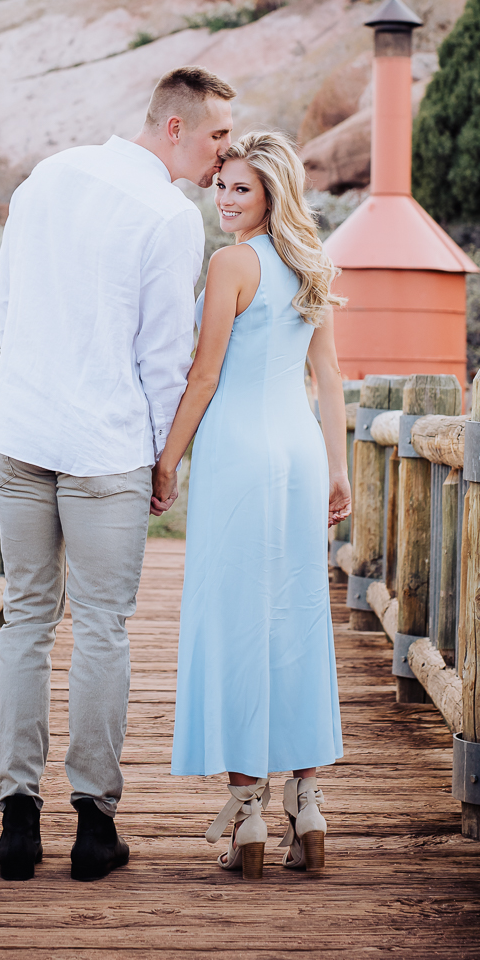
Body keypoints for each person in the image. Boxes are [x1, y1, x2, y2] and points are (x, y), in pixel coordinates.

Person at [0, 66, 236, 883]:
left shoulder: (46, 177)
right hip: (105, 448)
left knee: (25, 621)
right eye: (215, 135)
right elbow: (162, 356)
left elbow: (8, 305)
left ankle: (16, 824)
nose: (222, 152)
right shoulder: (170, 215)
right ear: (173, 127)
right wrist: (167, 461)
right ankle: (94, 828)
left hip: (19, 432)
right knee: (99, 627)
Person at [154, 130, 350, 878]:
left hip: (238, 453)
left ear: (272, 193)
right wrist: (337, 468)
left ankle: (247, 813)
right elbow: (327, 378)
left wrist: (167, 458)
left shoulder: (231, 262)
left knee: (237, 619)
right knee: (296, 616)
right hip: (298, 451)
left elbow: (204, 378)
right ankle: (309, 801)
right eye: (223, 185)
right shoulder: (310, 263)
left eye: (241, 188)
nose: (225, 198)